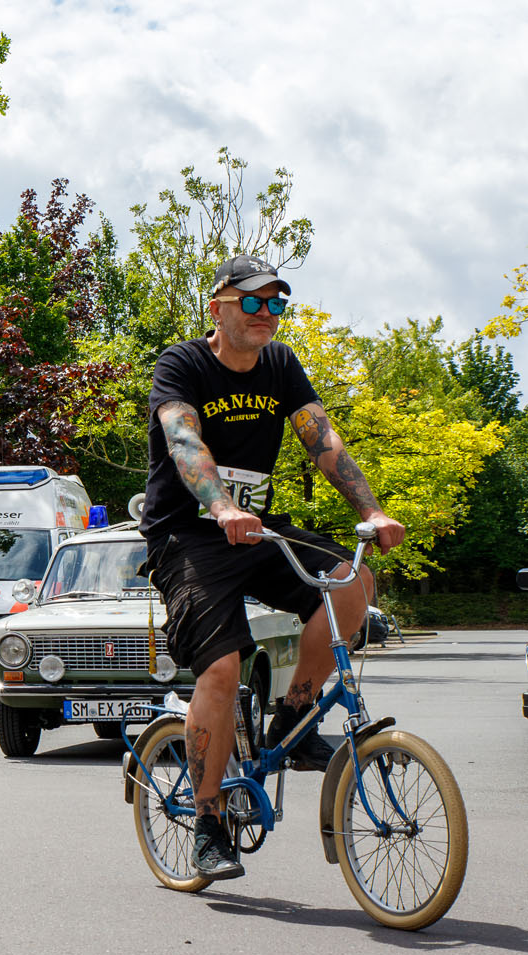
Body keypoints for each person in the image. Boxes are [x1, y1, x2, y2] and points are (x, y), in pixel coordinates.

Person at [141, 254, 405, 881]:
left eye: (276, 303)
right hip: (188, 537)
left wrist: (371, 510)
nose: (267, 313)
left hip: (255, 529)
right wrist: (220, 505)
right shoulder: (182, 364)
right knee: (222, 667)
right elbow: (184, 441)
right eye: (253, 301)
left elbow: (322, 439)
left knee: (351, 581)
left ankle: (294, 719)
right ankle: (208, 822)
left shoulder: (281, 364)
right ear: (218, 308)